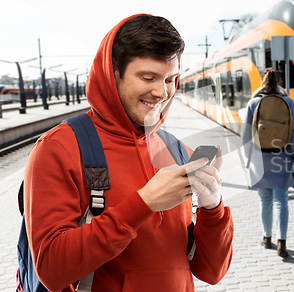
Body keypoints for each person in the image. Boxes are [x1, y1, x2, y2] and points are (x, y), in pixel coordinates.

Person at [23, 14, 233, 292]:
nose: (162, 92)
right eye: (148, 77)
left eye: (171, 79)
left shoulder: (178, 150)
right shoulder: (59, 148)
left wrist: (213, 207)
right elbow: (51, 269)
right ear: (113, 73)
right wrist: (143, 204)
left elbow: (211, 271)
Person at [241, 68, 294, 257]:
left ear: (263, 81)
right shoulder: (288, 102)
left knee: (265, 201)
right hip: (283, 158)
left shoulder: (254, 103)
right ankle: (282, 243)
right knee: (281, 201)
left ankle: (266, 238)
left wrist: (248, 158)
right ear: (279, 83)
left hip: (260, 159)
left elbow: (246, 135)